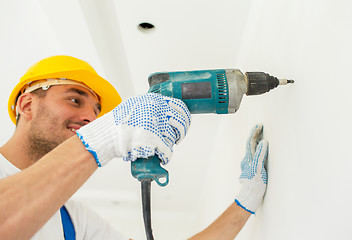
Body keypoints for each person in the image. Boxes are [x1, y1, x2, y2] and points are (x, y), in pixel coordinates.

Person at [0, 55, 268, 240]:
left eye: (97, 113)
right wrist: (100, 139)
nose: (90, 118)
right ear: (26, 105)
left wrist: (245, 201)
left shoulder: (72, 219)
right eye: (74, 99)